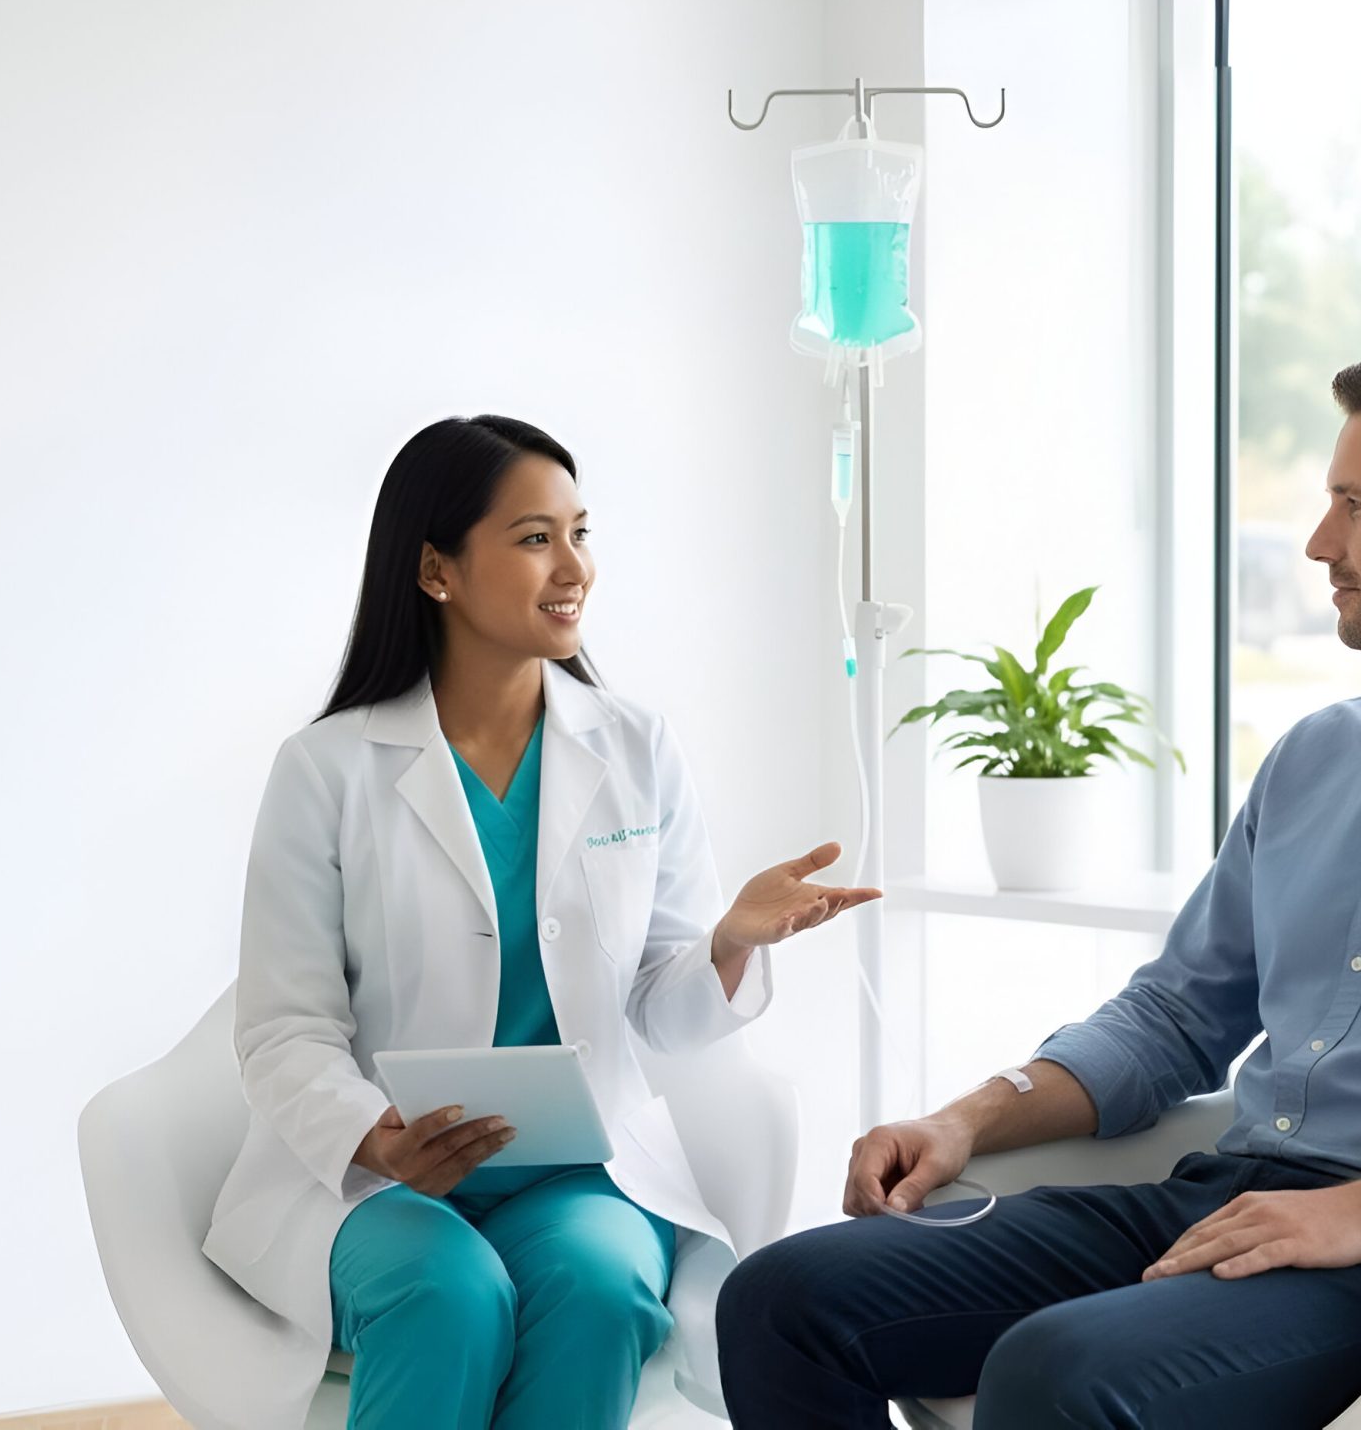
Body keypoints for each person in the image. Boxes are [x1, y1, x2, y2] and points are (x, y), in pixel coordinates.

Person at [717, 349, 1361, 1429]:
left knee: (1059, 1374)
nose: (1318, 543)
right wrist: (969, 1119)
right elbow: (1176, 1015)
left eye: (1355, 505)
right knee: (781, 1299)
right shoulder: (1315, 756)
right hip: (1231, 1198)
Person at [202, 415, 878, 1429]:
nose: (575, 568)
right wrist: (376, 1141)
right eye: (533, 539)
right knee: (449, 1296)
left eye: (580, 531)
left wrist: (730, 943)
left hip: (582, 1175)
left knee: (601, 1295)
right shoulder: (327, 770)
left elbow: (663, 1012)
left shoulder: (637, 747)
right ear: (436, 570)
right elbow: (283, 1029)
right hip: (378, 1181)